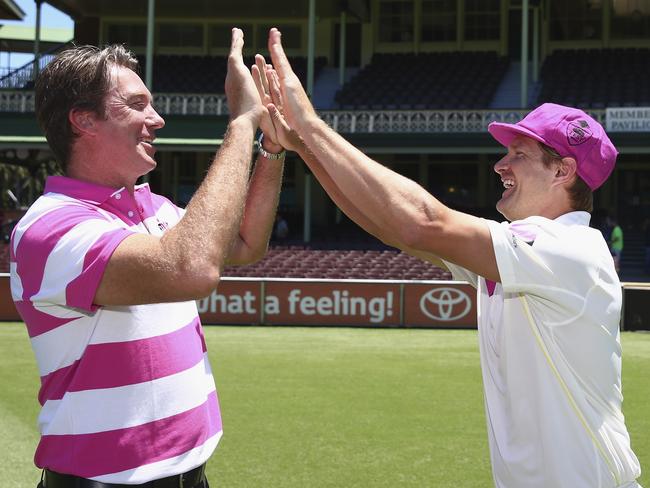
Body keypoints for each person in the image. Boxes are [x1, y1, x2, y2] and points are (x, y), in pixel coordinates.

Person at [259, 28, 642, 488]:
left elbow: (423, 223)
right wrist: (304, 145)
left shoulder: (569, 250)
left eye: (518, 155)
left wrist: (313, 128)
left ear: (563, 171)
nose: (500, 165)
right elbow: (392, 227)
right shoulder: (527, 249)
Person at [10, 28, 287, 487]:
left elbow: (243, 243)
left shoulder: (153, 205)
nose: (157, 119)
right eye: (137, 105)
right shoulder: (49, 227)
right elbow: (192, 269)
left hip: (191, 473)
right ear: (84, 121)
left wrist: (272, 150)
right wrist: (242, 123)